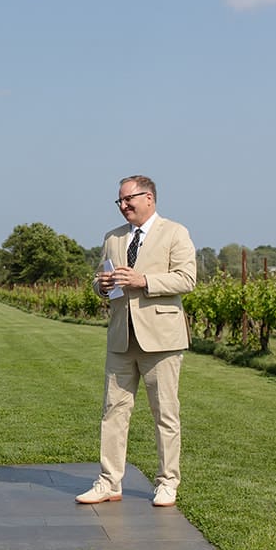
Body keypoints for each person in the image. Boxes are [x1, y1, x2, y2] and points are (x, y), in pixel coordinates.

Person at [78, 174, 197, 508]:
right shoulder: (112, 237)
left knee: (165, 414)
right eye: (119, 201)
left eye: (128, 199)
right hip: (121, 335)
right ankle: (108, 481)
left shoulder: (176, 232)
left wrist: (144, 280)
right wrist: (100, 287)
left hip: (161, 338)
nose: (123, 206)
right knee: (113, 411)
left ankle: (167, 482)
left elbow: (187, 279)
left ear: (150, 198)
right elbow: (99, 279)